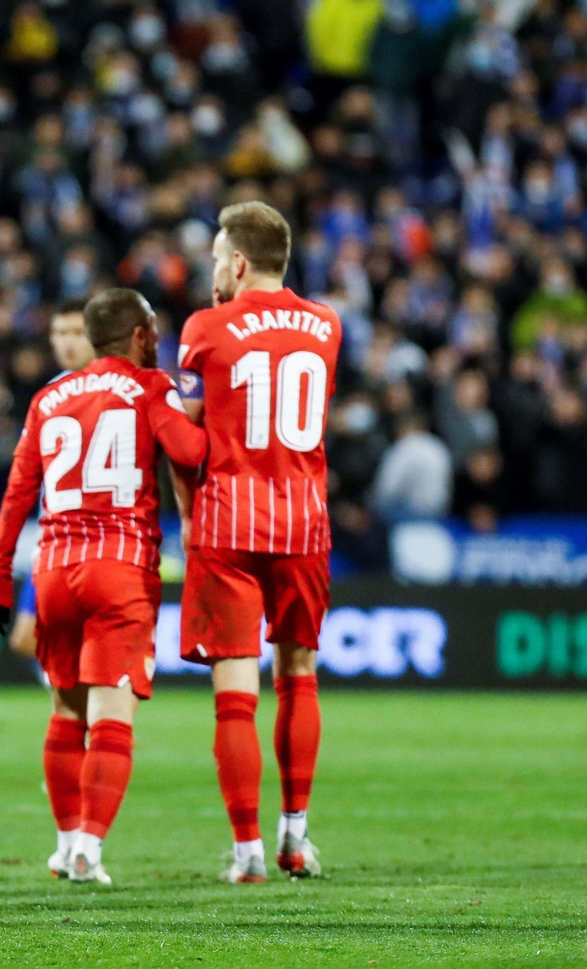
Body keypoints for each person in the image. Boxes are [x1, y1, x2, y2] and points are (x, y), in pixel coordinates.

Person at [0, 289, 207, 884]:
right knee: (112, 714)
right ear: (139, 336)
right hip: (119, 566)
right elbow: (190, 450)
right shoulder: (150, 385)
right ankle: (88, 846)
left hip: (54, 569)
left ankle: (62, 844)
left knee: (65, 711)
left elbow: (15, 499)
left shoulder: (48, 398)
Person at [175, 201, 341, 882]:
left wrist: (186, 512)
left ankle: (246, 853)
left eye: (218, 257)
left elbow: (185, 440)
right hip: (303, 519)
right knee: (299, 673)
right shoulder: (327, 325)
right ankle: (295, 836)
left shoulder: (206, 327)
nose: (214, 269)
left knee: (235, 690)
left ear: (238, 262)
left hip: (228, 521)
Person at [6, 300, 95, 667]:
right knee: (26, 638)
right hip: (53, 535)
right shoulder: (51, 391)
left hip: (98, 533)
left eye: (77, 333)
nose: (67, 343)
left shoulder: (116, 385)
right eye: (60, 334)